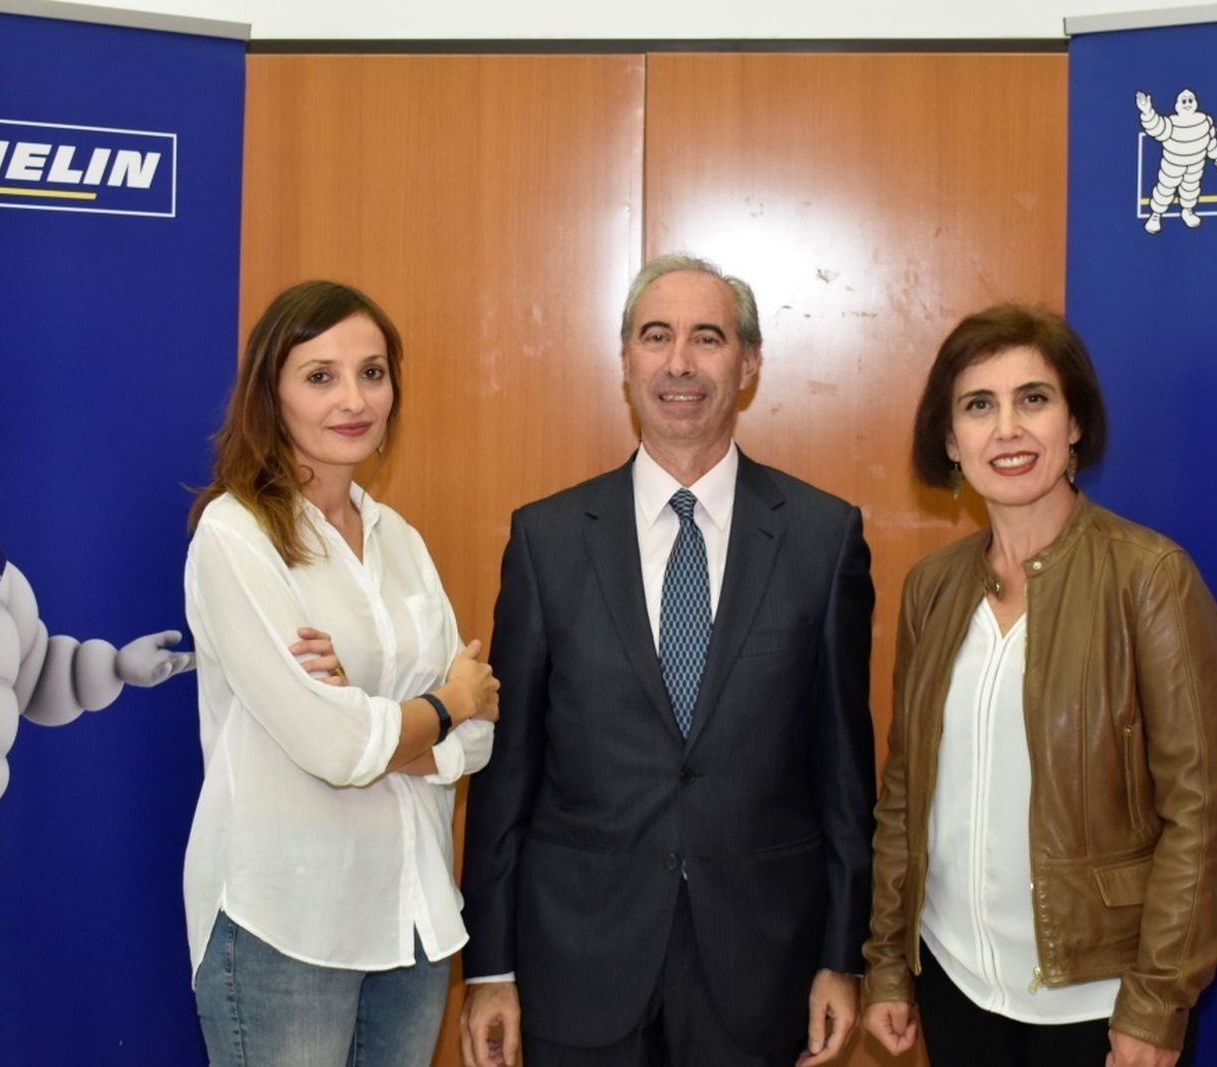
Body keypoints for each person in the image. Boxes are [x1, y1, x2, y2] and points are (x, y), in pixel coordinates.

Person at [459, 253, 876, 1067]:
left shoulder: (824, 539)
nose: (680, 361)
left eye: (708, 338)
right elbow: (508, 774)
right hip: (575, 960)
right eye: (657, 336)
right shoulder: (545, 539)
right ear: (626, 360)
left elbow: (843, 774)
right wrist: (491, 965)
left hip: (760, 966)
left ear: (748, 365)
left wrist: (841, 954)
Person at [861, 305, 1217, 1067]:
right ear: (949, 441)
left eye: (1033, 399)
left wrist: (1157, 1001)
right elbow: (905, 790)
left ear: (1074, 425)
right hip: (954, 979)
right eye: (979, 405)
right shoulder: (933, 587)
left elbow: (1202, 814)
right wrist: (885, 963)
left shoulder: (1151, 578)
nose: (1007, 428)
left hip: (1100, 1004)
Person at [182, 280, 500, 1067]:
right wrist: (444, 702)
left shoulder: (399, 541)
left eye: (373, 372)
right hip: (287, 918)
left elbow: (481, 731)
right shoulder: (236, 535)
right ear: (271, 394)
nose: (354, 398)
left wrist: (397, 717)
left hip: (410, 914)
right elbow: (335, 746)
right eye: (320, 375)